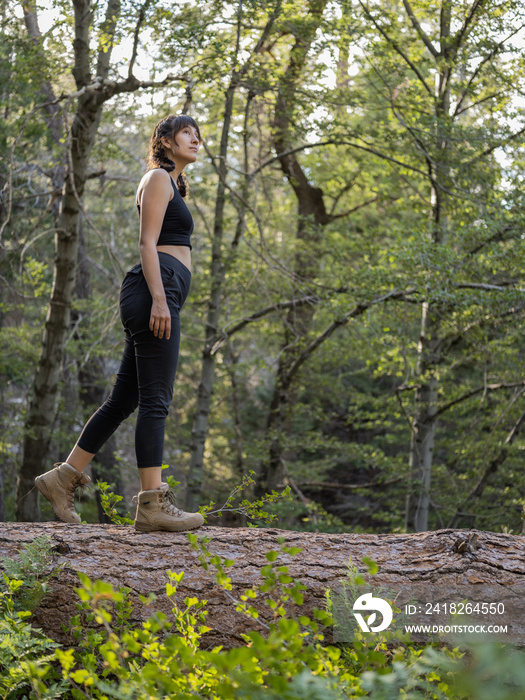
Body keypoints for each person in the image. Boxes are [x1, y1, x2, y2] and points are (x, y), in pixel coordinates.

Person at [35, 114, 205, 532]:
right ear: (164, 141)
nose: (196, 139)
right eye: (187, 133)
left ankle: (63, 477)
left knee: (124, 401)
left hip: (159, 291)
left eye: (199, 134)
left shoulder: (173, 184)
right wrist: (162, 301)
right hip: (154, 291)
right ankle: (152, 503)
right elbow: (147, 243)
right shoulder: (158, 179)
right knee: (156, 400)